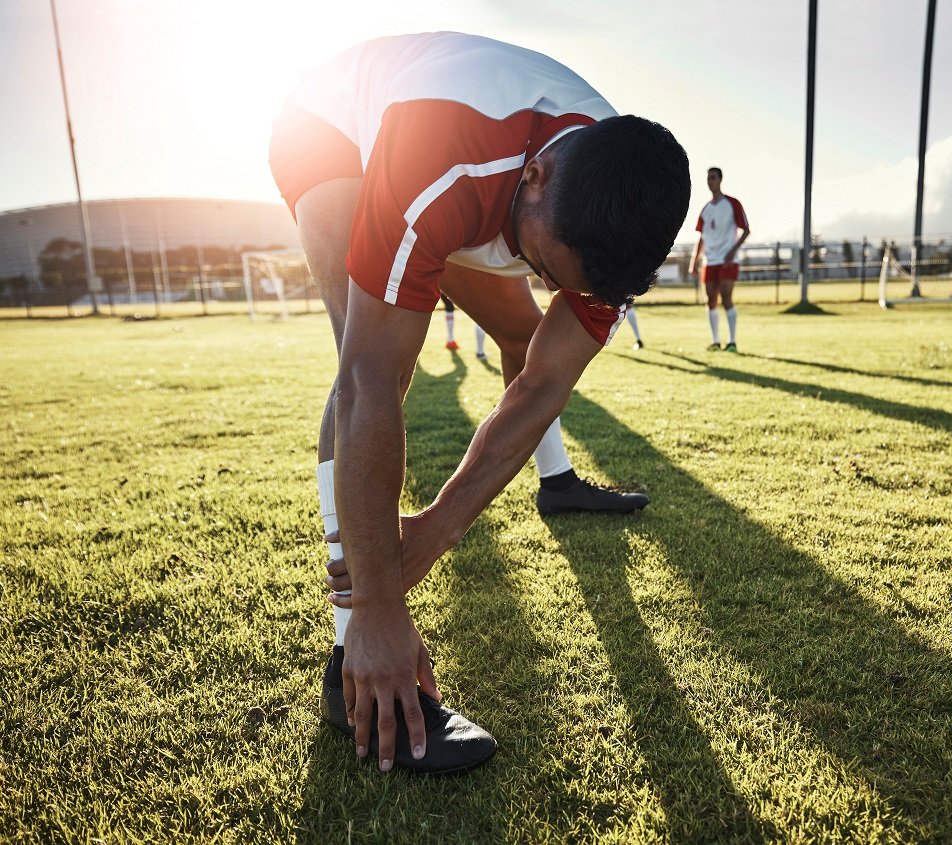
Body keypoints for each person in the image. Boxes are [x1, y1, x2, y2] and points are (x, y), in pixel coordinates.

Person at [268, 32, 690, 775]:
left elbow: (542, 384)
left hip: (476, 171)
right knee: (363, 356)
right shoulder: (445, 160)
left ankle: (555, 485)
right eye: (540, 264)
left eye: (577, 286)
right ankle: (350, 661)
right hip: (333, 129)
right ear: (534, 178)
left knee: (529, 339)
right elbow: (372, 379)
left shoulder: (613, 223)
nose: (551, 282)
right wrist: (378, 601)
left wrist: (433, 529)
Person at [688, 167, 749, 352]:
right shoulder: (706, 209)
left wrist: (732, 251)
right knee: (710, 301)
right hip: (710, 260)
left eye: (713, 177)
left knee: (727, 298)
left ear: (720, 179)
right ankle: (715, 341)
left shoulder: (732, 203)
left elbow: (746, 230)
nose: (710, 181)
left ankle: (732, 342)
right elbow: (701, 237)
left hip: (727, 260)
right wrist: (694, 261)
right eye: (708, 178)